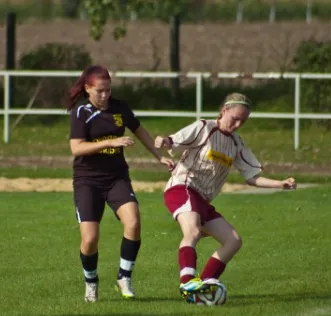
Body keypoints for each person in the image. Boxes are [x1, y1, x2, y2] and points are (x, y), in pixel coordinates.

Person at [154, 93, 297, 302]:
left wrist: (280, 184)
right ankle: (187, 282)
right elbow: (175, 140)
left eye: (243, 121)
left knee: (233, 241)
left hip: (202, 200)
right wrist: (164, 141)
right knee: (192, 231)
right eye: (235, 118)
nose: (238, 124)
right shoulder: (204, 127)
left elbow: (252, 177)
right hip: (182, 188)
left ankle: (201, 288)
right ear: (224, 111)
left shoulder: (237, 144)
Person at [68, 65, 175, 302]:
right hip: (88, 180)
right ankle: (91, 281)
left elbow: (140, 131)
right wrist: (113, 142)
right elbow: (76, 147)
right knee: (89, 240)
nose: (105, 96)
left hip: (116, 177)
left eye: (108, 90)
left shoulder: (120, 107)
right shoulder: (80, 112)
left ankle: (124, 276)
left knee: (134, 222)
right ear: (87, 89)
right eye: (100, 91)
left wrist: (160, 157)